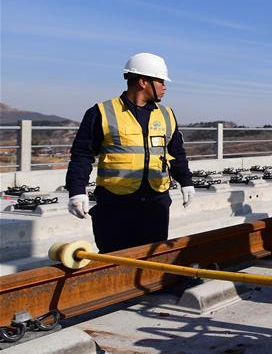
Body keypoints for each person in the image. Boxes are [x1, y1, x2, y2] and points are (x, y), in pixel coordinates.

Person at [65, 53, 194, 253]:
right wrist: (76, 191)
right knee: (115, 257)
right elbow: (82, 155)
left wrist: (186, 181)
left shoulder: (167, 115)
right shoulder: (101, 112)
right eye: (160, 81)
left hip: (155, 202)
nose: (164, 86)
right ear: (143, 82)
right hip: (116, 204)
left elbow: (176, 152)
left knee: (152, 256)